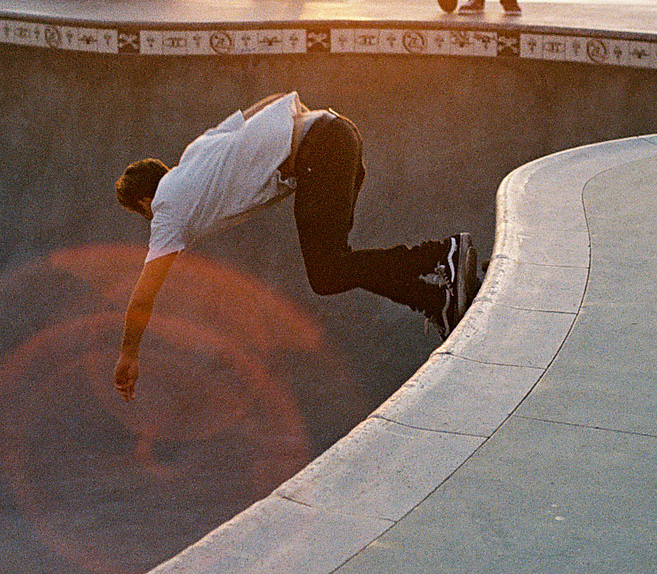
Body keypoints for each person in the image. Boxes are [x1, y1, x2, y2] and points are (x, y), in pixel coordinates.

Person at [111, 91, 481, 402]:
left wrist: (129, 353)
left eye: (142, 215)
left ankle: (442, 254)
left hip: (320, 153)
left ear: (144, 203)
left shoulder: (167, 210)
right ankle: (435, 299)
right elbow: (265, 103)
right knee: (337, 265)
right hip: (336, 131)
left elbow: (144, 296)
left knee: (327, 272)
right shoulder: (197, 151)